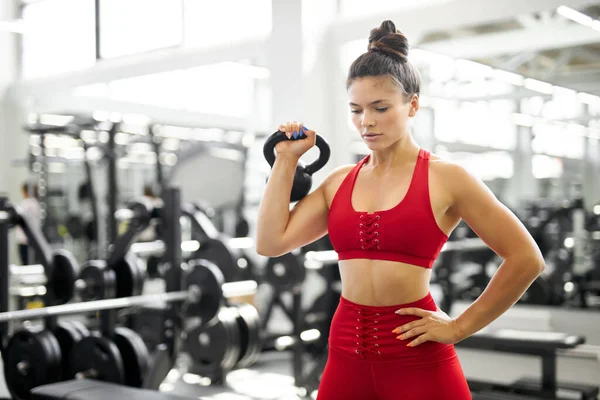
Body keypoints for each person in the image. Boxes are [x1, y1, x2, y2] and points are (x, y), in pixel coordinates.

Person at [256, 20, 545, 400]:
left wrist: (459, 327)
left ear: (412, 105)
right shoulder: (338, 182)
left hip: (416, 356)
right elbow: (270, 242)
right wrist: (285, 162)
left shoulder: (448, 178)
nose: (367, 122)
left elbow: (527, 258)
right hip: (345, 354)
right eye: (356, 110)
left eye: (380, 107)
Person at [15, 181, 41, 265]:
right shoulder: (36, 203)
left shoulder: (26, 204)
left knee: (26, 266)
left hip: (24, 241)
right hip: (33, 240)